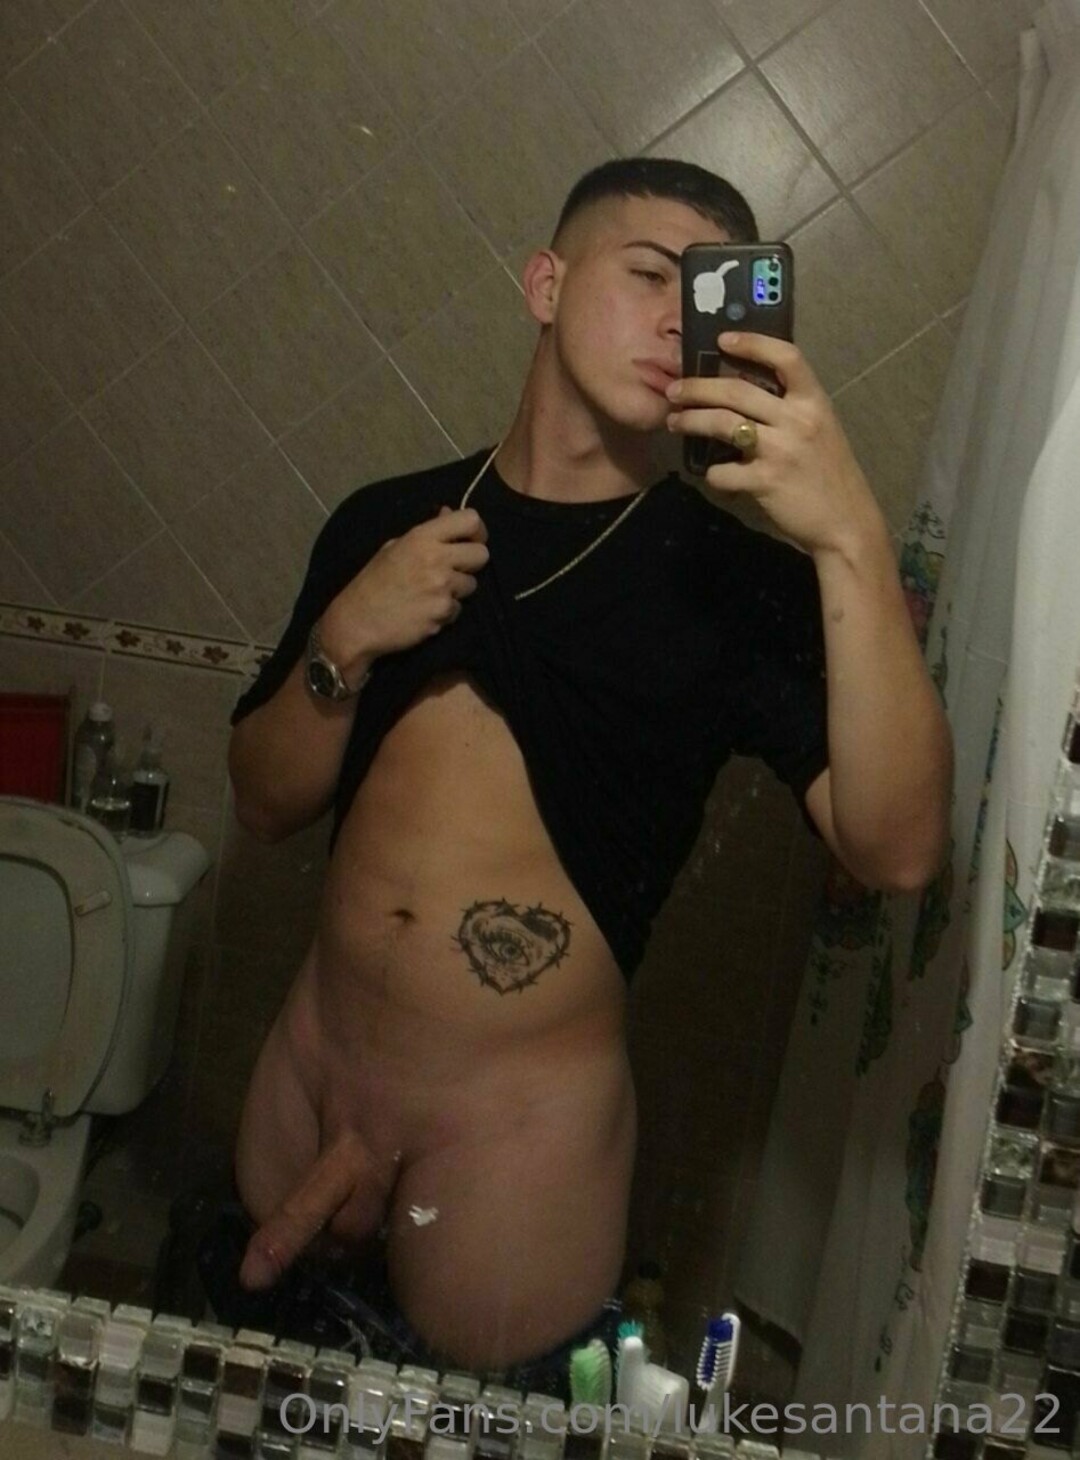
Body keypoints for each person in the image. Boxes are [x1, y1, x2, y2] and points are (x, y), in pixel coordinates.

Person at [219, 158, 953, 1377]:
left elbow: (901, 848)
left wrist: (849, 535)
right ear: (546, 286)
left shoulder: (738, 584)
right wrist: (346, 636)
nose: (676, 321)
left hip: (514, 1159)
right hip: (307, 1085)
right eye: (649, 274)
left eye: (704, 297)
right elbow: (260, 799)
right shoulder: (385, 522)